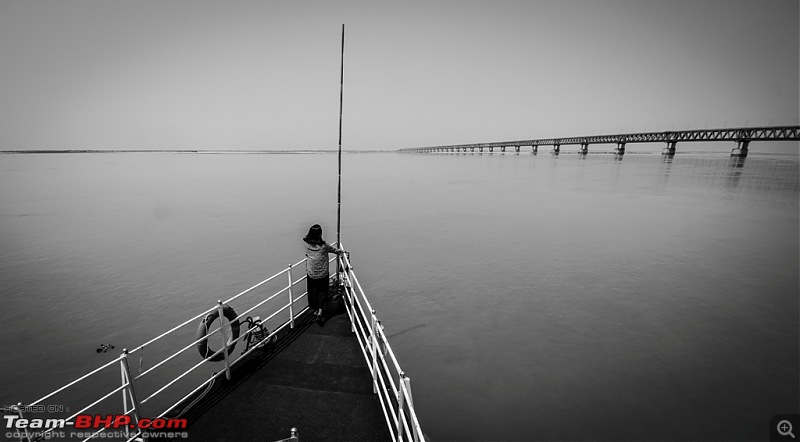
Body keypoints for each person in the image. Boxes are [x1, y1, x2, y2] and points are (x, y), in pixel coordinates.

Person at [303, 224, 344, 320]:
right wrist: (341, 252)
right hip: (323, 274)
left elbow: (306, 254)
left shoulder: (307, 246)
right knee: (322, 292)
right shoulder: (324, 246)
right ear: (320, 234)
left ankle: (315, 309)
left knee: (313, 292)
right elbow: (334, 250)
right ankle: (320, 312)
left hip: (311, 273)